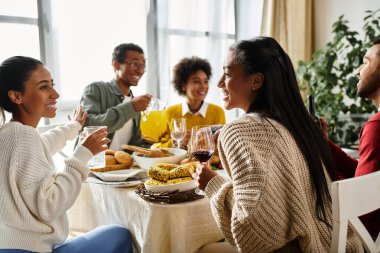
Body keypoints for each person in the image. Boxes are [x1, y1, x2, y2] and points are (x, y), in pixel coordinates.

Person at [196, 37, 362, 252]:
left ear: (256, 81)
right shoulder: (301, 126)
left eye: (227, 74)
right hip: (339, 244)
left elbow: (253, 234)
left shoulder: (237, 130)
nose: (219, 83)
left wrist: (213, 184)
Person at [0, 56, 133, 253]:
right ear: (16, 96)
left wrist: (73, 127)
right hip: (29, 249)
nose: (55, 94)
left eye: (52, 85)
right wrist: (82, 155)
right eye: (44, 87)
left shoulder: (10, 133)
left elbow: (44, 144)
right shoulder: (23, 136)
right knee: (119, 234)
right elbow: (50, 205)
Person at [325, 39, 380, 239]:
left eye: (365, 62)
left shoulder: (376, 127)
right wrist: (324, 144)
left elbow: (360, 204)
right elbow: (364, 177)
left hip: (368, 236)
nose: (357, 71)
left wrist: (321, 175)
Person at [79, 43, 152, 151]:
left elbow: (134, 145)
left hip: (121, 167)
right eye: (135, 64)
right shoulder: (96, 89)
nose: (140, 71)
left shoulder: (135, 103)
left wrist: (155, 144)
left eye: (143, 66)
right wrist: (131, 108)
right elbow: (87, 127)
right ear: (116, 65)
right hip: (92, 165)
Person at [154, 56, 226, 149]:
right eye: (197, 81)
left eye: (205, 81)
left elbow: (222, 146)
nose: (203, 86)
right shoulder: (170, 112)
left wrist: (199, 141)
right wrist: (175, 143)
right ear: (183, 85)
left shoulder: (217, 112)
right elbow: (155, 147)